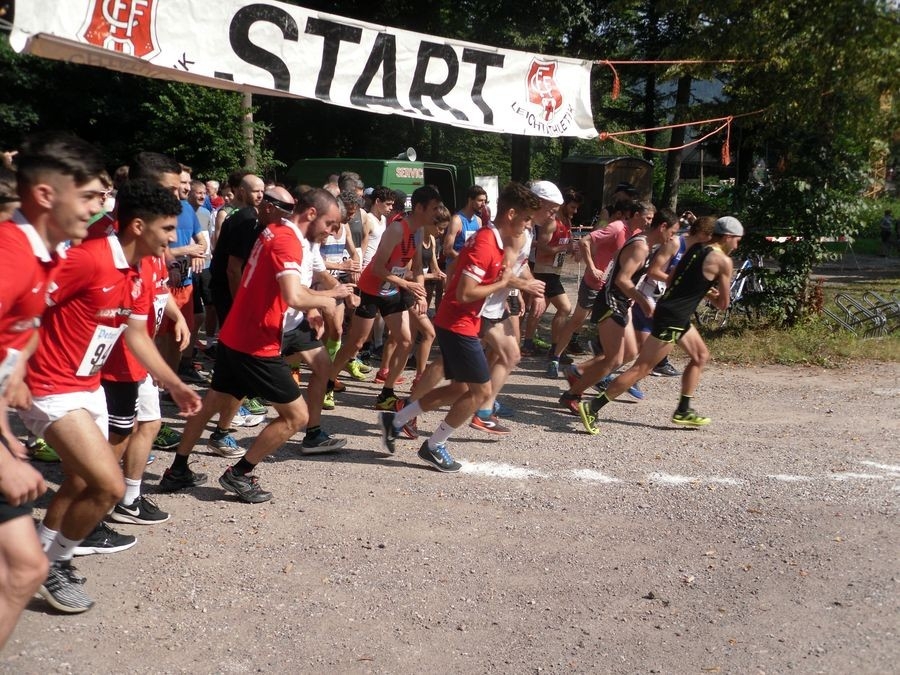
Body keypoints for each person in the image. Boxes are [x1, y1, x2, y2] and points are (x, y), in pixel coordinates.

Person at [23, 175, 201, 613]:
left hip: (88, 387)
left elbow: (136, 335)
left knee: (82, 480)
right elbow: (25, 305)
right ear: (138, 225)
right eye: (166, 228)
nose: (172, 238)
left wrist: (174, 383)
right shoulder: (88, 259)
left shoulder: (138, 269)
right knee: (109, 485)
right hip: (49, 386)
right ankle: (52, 564)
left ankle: (39, 555)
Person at [159, 188, 353, 502]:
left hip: (238, 332)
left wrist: (316, 304)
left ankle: (177, 469)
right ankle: (240, 473)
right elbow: (293, 295)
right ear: (311, 214)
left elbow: (282, 288)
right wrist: (329, 298)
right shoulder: (287, 240)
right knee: (296, 417)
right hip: (257, 342)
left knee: (212, 403)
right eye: (330, 224)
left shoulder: (274, 230)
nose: (332, 231)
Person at [0, 133, 102, 638]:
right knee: (23, 570)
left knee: (25, 569)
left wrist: (5, 421)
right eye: (87, 196)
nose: (97, 208)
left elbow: (19, 333)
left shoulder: (48, 253)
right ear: (45, 195)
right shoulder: (11, 256)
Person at [380, 182, 541, 472]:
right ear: (511, 214)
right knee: (480, 392)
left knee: (460, 388)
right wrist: (504, 284)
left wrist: (511, 282)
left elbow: (470, 278)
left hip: (463, 321)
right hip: (458, 323)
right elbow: (466, 293)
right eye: (527, 218)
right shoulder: (485, 243)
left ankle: (398, 418)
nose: (529, 225)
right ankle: (434, 445)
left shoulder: (494, 240)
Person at [577, 217, 743, 434]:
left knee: (700, 356)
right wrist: (711, 293)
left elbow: (672, 278)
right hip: (674, 317)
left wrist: (699, 289)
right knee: (642, 368)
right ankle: (592, 407)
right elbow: (723, 304)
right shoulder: (724, 262)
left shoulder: (696, 248)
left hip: (671, 311)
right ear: (728, 237)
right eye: (737, 240)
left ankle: (683, 409)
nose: (737, 245)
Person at [558, 205, 678, 414]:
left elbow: (619, 259)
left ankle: (578, 371)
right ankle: (572, 395)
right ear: (663, 227)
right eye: (673, 232)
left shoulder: (646, 244)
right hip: (611, 302)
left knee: (629, 353)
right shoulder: (641, 246)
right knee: (613, 358)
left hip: (623, 302)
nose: (673, 237)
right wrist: (642, 301)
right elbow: (623, 280)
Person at [326, 186, 437, 412]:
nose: (437, 213)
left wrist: (421, 294)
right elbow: (377, 268)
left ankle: (386, 393)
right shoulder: (397, 229)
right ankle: (327, 384)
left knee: (405, 340)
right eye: (433, 208)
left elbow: (417, 267)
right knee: (356, 343)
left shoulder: (419, 232)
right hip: (372, 288)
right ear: (419, 207)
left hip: (392, 290)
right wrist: (406, 284)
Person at [520, 182, 566, 357]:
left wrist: (533, 290)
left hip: (508, 292)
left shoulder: (530, 230)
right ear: (538, 202)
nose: (552, 216)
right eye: (551, 211)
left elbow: (521, 263)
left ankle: (528, 343)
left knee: (507, 354)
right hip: (492, 298)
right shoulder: (518, 228)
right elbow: (507, 265)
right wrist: (521, 290)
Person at [442, 185, 486, 278]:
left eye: (484, 201)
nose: (483, 204)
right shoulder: (457, 220)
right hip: (455, 270)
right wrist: (465, 259)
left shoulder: (478, 221)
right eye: (480, 200)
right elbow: (447, 250)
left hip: (470, 271)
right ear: (470, 200)